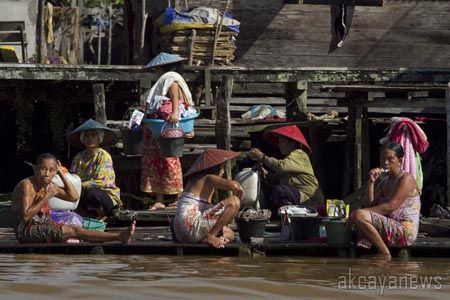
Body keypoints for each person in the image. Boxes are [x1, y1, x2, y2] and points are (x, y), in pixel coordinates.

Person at [11, 153, 135, 244]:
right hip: (26, 231)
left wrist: (62, 174)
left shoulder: (48, 185)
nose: (47, 174)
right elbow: (25, 217)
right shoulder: (27, 185)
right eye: (43, 169)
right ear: (35, 168)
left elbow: (73, 197)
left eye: (51, 170)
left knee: (76, 229)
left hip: (42, 224)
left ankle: (118, 236)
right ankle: (119, 236)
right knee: (73, 230)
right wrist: (47, 196)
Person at [141, 52, 196, 210]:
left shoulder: (171, 79)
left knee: (170, 159)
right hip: (157, 126)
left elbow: (175, 99)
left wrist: (175, 113)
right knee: (155, 161)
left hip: (167, 127)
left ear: (160, 67)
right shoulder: (163, 80)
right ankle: (159, 199)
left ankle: (178, 197)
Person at [350, 142, 421, 261]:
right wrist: (371, 182)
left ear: (400, 160)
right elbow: (370, 205)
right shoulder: (385, 182)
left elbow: (390, 207)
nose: (386, 162)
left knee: (358, 215)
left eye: (390, 159)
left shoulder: (406, 179)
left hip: (404, 230)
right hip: (389, 225)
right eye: (383, 159)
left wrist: (358, 214)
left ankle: (384, 253)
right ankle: (371, 240)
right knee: (355, 223)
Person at [174, 148, 244, 248]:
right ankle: (210, 236)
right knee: (234, 201)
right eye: (222, 167)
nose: (223, 171)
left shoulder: (195, 180)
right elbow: (233, 186)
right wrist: (239, 187)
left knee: (230, 234)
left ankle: (207, 238)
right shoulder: (208, 178)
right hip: (190, 227)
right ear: (215, 168)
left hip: (180, 233)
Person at [248, 125, 323, 211]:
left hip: (309, 198)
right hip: (299, 197)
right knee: (277, 191)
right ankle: (290, 215)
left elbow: (280, 166)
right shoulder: (290, 161)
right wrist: (265, 173)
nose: (279, 145)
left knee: (280, 191)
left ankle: (290, 215)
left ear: (292, 143)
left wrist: (262, 156)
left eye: (281, 142)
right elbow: (276, 180)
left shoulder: (300, 154)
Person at [68, 119, 122, 219]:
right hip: (82, 193)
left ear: (99, 139)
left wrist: (79, 185)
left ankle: (99, 214)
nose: (90, 138)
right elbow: (72, 178)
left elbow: (100, 182)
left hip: (105, 196)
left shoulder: (104, 156)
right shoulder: (78, 157)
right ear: (83, 139)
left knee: (91, 192)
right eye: (87, 136)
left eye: (93, 135)